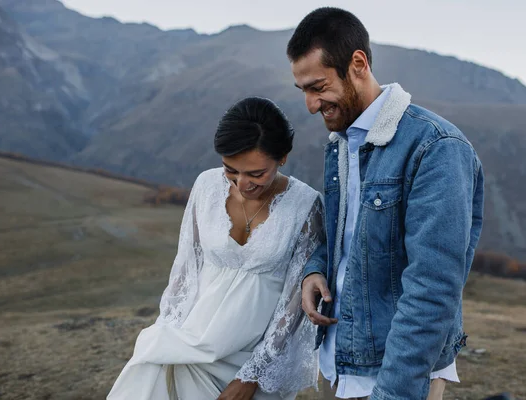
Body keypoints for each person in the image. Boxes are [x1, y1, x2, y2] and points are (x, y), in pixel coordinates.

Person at [287, 8, 484, 400]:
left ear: (357, 63)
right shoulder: (342, 141)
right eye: (304, 91)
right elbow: (346, 234)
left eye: (318, 87)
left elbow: (434, 287)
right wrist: (313, 270)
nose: (310, 105)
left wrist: (395, 392)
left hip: (394, 375)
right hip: (337, 361)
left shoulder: (436, 147)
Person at [108, 97, 324, 400]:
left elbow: (293, 304)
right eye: (231, 170)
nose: (241, 184)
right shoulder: (206, 186)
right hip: (187, 345)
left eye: (256, 174)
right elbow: (185, 269)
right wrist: (167, 332)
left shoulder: (307, 205)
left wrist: (253, 374)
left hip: (250, 359)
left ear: (282, 157)